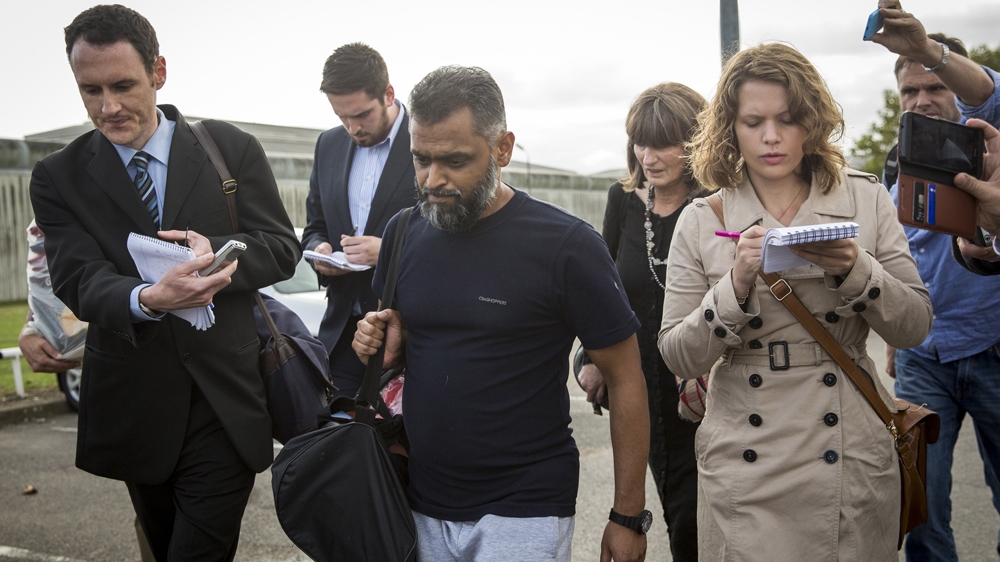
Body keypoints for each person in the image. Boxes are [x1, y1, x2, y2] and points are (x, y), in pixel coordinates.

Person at [28, 6, 300, 561]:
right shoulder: (57, 176)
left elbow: (280, 247)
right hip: (135, 405)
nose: (108, 107)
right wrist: (146, 298)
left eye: (123, 85)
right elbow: (78, 277)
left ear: (160, 72)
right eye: (90, 90)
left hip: (225, 400)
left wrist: (222, 261)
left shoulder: (230, 148)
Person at [353, 66, 650, 562]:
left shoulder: (567, 246)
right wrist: (379, 348)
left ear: (503, 149)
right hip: (416, 503)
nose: (433, 179)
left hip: (526, 508)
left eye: (454, 161)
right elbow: (394, 358)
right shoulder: (403, 233)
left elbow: (626, 379)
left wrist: (627, 517)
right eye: (421, 160)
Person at [657, 43, 931, 561]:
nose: (770, 137)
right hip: (746, 454)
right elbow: (678, 355)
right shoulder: (702, 218)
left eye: (787, 119)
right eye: (753, 121)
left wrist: (857, 270)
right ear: (729, 129)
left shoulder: (866, 198)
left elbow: (915, 326)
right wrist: (735, 285)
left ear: (812, 122)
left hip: (849, 450)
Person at [870, 3, 1000, 557]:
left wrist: (927, 52)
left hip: (994, 343)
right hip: (924, 355)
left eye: (933, 88)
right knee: (919, 503)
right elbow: (900, 260)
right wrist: (900, 334)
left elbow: (987, 90)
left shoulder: (990, 150)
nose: (921, 100)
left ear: (957, 94)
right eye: (908, 93)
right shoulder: (893, 170)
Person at [577, 82, 706, 561]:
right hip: (644, 393)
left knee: (700, 523)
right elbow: (602, 293)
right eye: (640, 141)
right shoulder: (624, 201)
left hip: (706, 391)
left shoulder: (719, 203)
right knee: (676, 515)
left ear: (696, 141)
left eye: (663, 142)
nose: (648, 155)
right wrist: (589, 357)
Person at [301, 43, 416, 400]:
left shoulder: (425, 140)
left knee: (403, 450)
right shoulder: (328, 145)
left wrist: (387, 251)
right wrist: (319, 251)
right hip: (341, 334)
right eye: (341, 117)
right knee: (339, 441)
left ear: (388, 94)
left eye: (362, 115)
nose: (352, 127)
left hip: (409, 333)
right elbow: (314, 225)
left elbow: (453, 234)